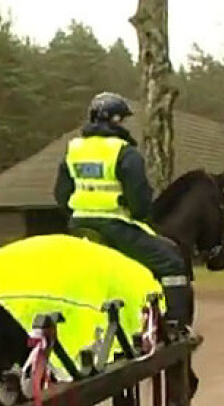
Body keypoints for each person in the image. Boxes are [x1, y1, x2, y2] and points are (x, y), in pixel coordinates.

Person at [53, 91, 194, 328]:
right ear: (116, 120)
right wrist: (138, 214)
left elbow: (61, 194)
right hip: (115, 227)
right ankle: (177, 327)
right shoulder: (124, 152)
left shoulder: (73, 149)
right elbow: (139, 203)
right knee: (172, 262)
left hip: (79, 227)